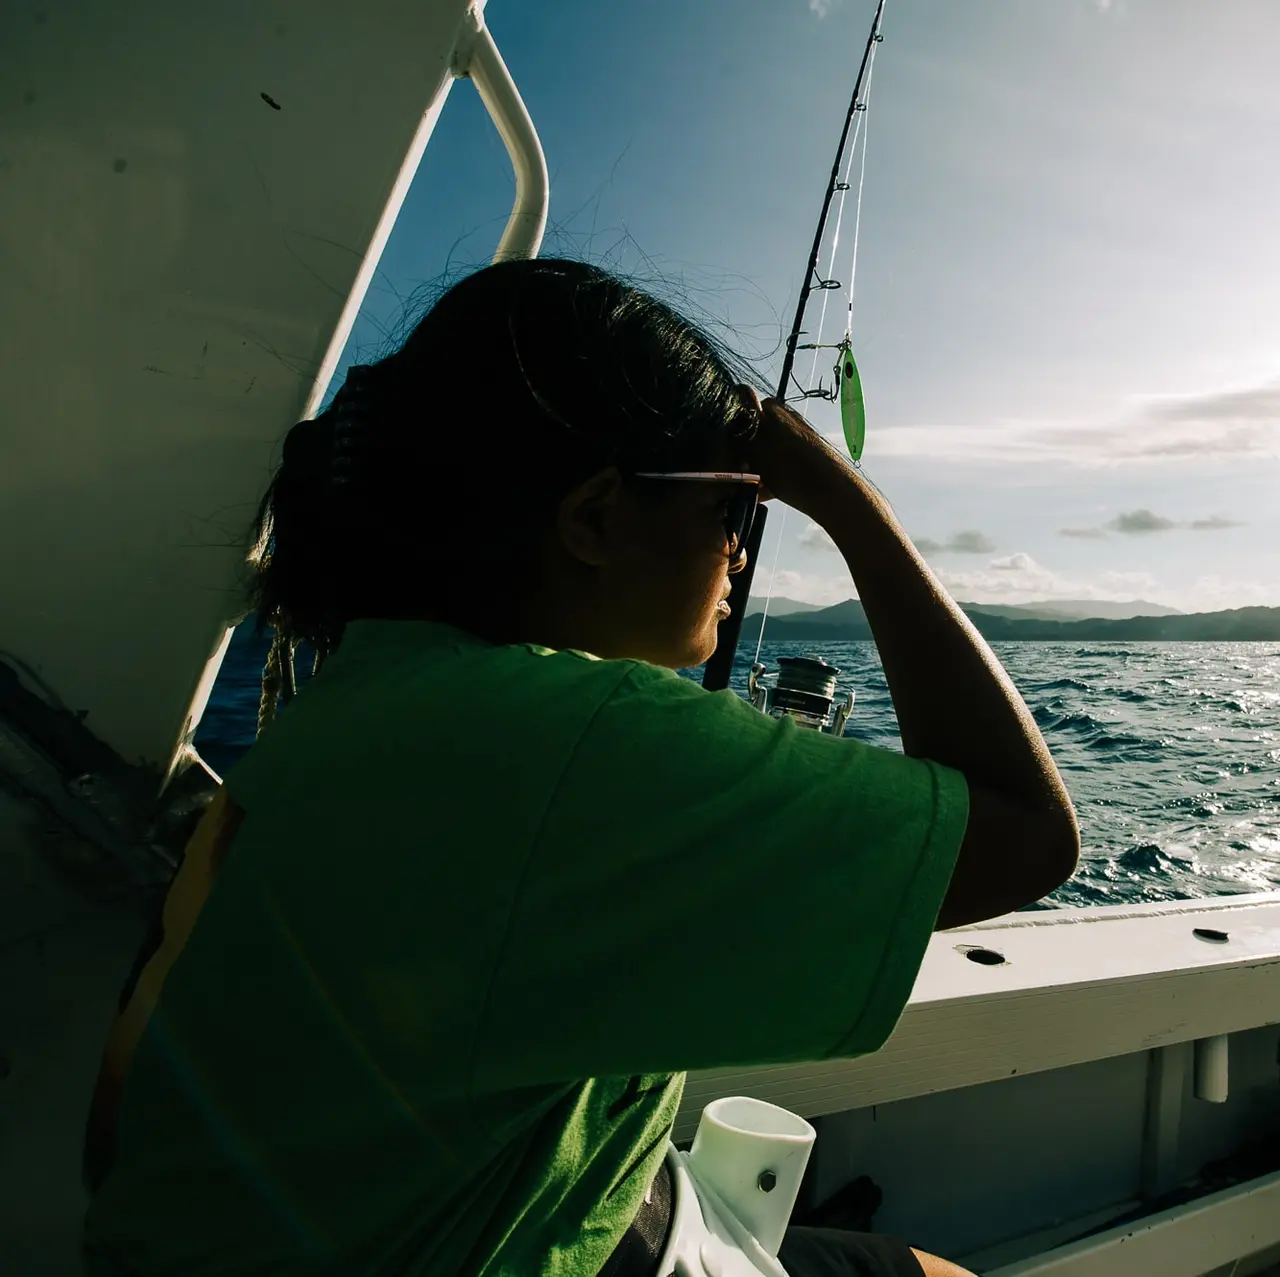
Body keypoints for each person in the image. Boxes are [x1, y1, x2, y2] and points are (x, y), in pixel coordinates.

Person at [81, 258, 1079, 1277]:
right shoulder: (575, 740)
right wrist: (843, 496)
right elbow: (1026, 832)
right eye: (733, 510)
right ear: (595, 519)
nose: (742, 553)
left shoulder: (358, 698)